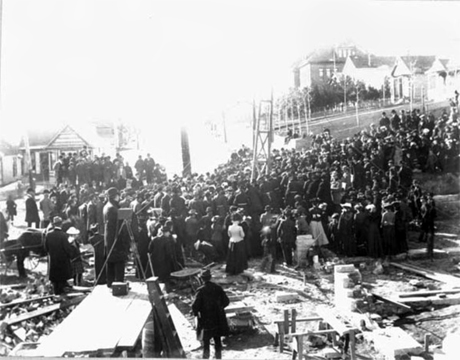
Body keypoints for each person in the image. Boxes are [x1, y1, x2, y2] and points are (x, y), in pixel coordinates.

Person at [192, 269, 229, 360]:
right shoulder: (218, 287)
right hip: (218, 319)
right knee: (217, 341)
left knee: (206, 343)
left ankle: (206, 358)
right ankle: (218, 357)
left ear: (201, 279)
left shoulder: (200, 290)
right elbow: (226, 301)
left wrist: (196, 313)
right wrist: (219, 309)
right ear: (210, 277)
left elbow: (195, 306)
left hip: (206, 320)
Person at [103, 187, 130, 287]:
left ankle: (110, 282)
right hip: (116, 239)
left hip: (108, 239)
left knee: (110, 261)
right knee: (119, 262)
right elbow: (118, 226)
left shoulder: (106, 206)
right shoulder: (113, 209)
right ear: (115, 196)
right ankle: (119, 284)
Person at [44, 216, 74, 295]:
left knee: (55, 280)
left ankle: (56, 293)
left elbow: (46, 248)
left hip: (53, 260)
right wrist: (71, 255)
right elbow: (67, 249)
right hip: (62, 261)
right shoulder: (63, 235)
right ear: (61, 224)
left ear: (54, 224)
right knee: (62, 279)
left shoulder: (48, 235)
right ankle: (61, 294)